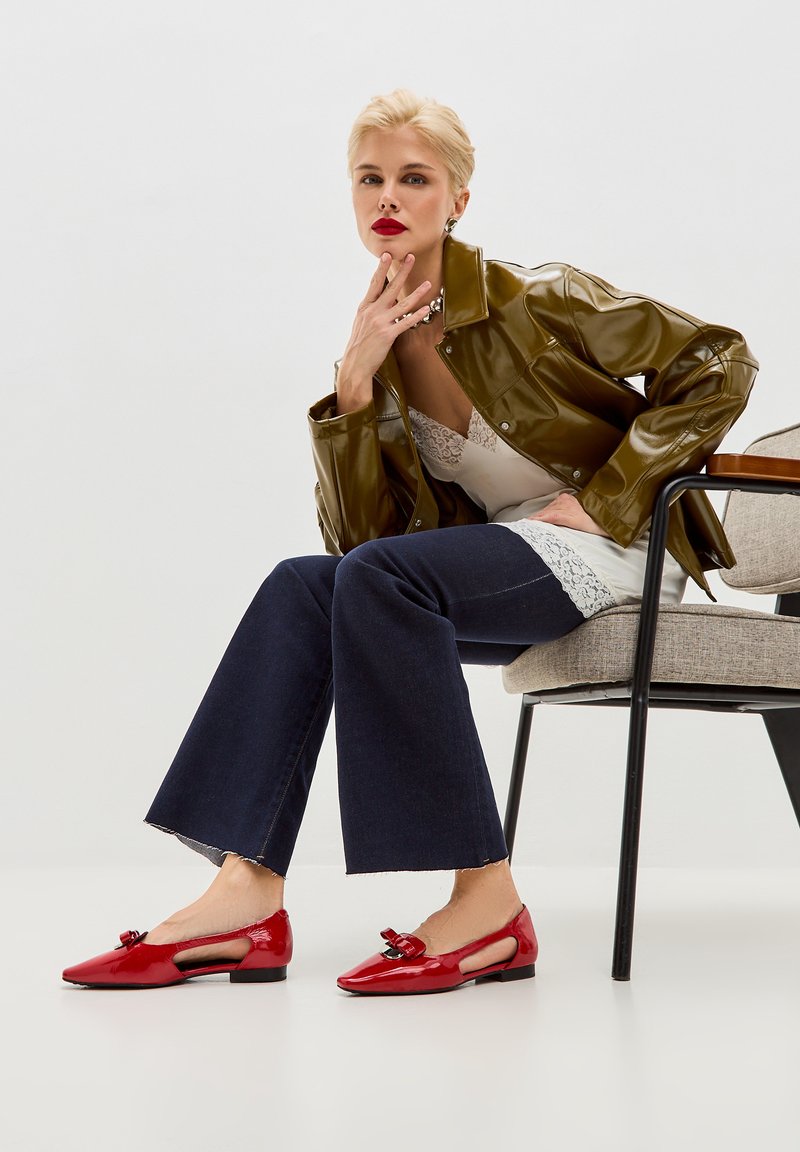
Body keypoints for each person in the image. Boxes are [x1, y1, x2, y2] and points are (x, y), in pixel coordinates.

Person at [62, 89, 758, 994]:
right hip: (505, 561)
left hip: (619, 550)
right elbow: (364, 552)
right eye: (370, 178)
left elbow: (719, 358)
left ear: (458, 198)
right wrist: (354, 389)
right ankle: (244, 893)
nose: (388, 195)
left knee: (380, 580)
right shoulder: (381, 350)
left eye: (415, 178)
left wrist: (608, 499)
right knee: (304, 586)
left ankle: (487, 900)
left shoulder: (537, 298)